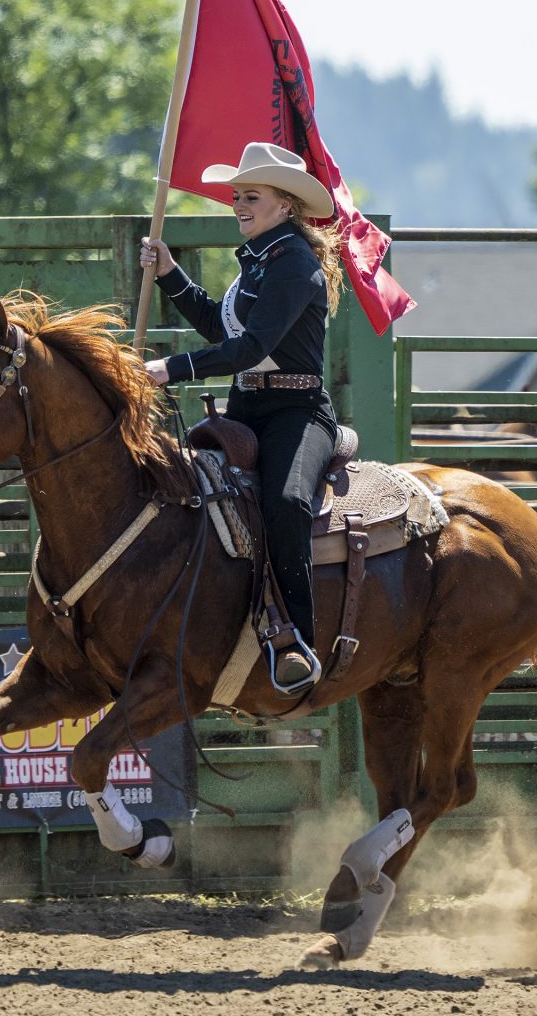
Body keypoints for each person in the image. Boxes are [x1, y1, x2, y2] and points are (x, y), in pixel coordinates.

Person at [140, 142, 345, 695]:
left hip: (296, 414)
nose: (238, 205)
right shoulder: (259, 259)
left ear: (285, 204)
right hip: (246, 408)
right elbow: (222, 329)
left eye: (250, 196)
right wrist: (170, 275)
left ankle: (296, 642)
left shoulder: (295, 264)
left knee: (284, 502)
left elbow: (251, 346)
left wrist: (171, 368)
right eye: (236, 197)